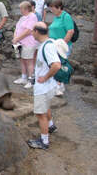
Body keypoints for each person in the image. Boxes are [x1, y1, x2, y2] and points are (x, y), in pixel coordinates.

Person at [27, 22, 60, 150]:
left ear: (36, 31)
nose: (31, 33)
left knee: (40, 114)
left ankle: (44, 141)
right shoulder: (48, 42)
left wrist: (45, 77)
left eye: (32, 31)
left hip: (44, 86)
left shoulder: (47, 46)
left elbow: (56, 65)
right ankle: (51, 125)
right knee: (46, 107)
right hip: (48, 86)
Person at [49, 0, 74, 95]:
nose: (52, 10)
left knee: (60, 66)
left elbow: (70, 31)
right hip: (54, 45)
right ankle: (59, 85)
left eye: (53, 8)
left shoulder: (66, 16)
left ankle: (59, 87)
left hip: (62, 47)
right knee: (55, 65)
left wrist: (62, 43)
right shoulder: (56, 17)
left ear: (59, 8)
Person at [12, 1, 38, 89]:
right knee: (22, 60)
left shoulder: (32, 17)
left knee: (29, 61)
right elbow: (17, 28)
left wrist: (17, 38)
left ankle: (31, 80)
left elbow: (28, 31)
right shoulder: (23, 17)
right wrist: (15, 37)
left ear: (26, 9)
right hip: (20, 43)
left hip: (29, 43)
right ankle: (23, 77)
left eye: (21, 8)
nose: (20, 10)